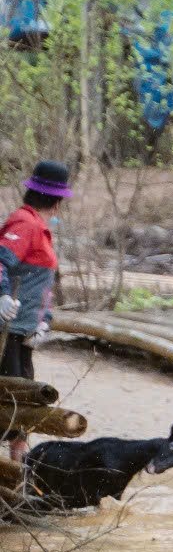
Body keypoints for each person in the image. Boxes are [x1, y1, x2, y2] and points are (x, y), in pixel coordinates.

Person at [1, 159, 71, 464]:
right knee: (14, 402)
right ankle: (18, 470)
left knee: (24, 402)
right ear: (57, 203)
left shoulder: (39, 228)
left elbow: (42, 286)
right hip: (7, 331)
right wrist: (2, 295)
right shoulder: (25, 224)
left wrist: (44, 321)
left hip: (24, 333)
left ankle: (19, 473)